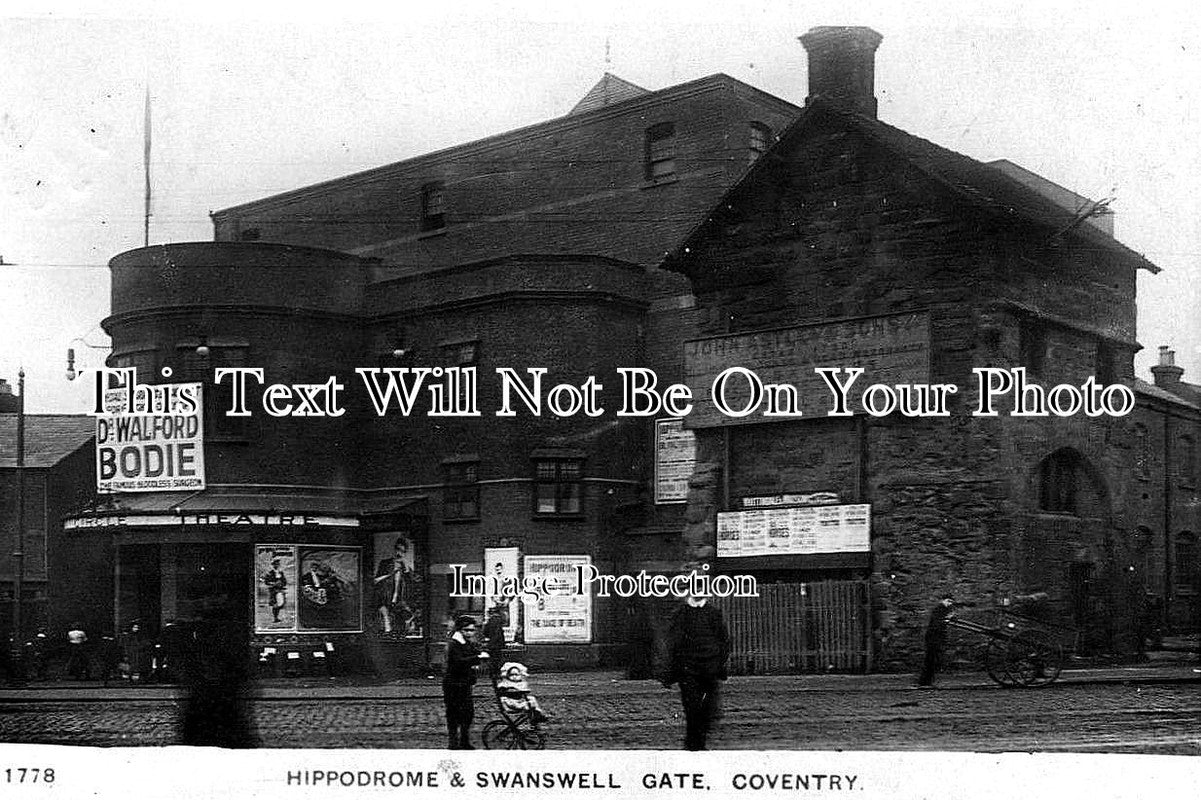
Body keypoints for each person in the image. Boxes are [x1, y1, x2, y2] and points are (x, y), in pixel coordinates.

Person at [663, 587, 729, 751]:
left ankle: (700, 740)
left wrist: (719, 664)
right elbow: (673, 642)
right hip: (688, 669)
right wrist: (670, 669)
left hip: (709, 668)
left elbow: (723, 640)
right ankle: (693, 743)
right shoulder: (681, 614)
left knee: (707, 709)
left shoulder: (713, 613)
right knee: (691, 706)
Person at [442, 615, 489, 750]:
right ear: (460, 630)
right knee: (454, 713)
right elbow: (458, 662)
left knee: (467, 713)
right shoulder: (454, 644)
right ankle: (453, 742)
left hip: (464, 683)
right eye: (466, 630)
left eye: (472, 630)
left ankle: (464, 741)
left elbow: (474, 652)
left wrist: (481, 653)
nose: (470, 633)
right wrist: (477, 658)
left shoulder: (465, 642)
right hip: (453, 684)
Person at [374, 537, 415, 635]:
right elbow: (376, 581)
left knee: (401, 627)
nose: (399, 553)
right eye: (398, 549)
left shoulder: (406, 569)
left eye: (402, 551)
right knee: (386, 626)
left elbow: (411, 586)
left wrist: (406, 569)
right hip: (385, 600)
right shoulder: (385, 564)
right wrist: (390, 574)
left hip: (399, 603)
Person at [916, 595, 955, 687]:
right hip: (933, 638)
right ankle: (925, 681)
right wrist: (946, 620)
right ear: (942, 600)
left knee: (933, 660)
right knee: (931, 659)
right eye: (948, 601)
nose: (949, 603)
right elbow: (937, 623)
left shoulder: (943, 609)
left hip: (936, 638)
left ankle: (926, 681)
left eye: (951, 602)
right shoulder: (939, 609)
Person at [482, 602, 508, 679]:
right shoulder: (498, 620)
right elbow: (499, 633)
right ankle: (496, 674)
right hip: (497, 644)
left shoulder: (490, 620)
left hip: (492, 644)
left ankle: (492, 674)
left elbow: (485, 632)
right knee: (497, 659)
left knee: (493, 659)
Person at [262, 557, 288, 623]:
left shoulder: (281, 573)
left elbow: (285, 581)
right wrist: (273, 583)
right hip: (273, 590)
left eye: (278, 564)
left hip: (280, 590)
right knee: (275, 604)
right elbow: (266, 582)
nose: (276, 565)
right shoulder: (270, 573)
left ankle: (276, 617)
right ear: (273, 565)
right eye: (275, 564)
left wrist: (281, 583)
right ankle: (275, 618)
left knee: (280, 604)